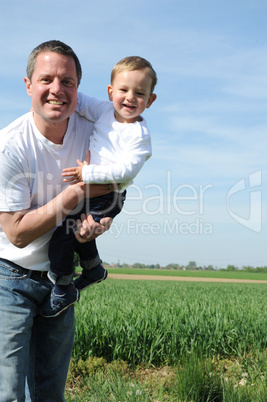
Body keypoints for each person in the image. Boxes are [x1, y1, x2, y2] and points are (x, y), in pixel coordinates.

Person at [0, 40, 113, 401]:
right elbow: (16, 234)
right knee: (10, 394)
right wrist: (74, 197)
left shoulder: (91, 126)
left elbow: (119, 176)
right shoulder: (11, 146)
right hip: (8, 279)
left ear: (79, 89)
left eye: (68, 82)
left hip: (57, 280)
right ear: (28, 85)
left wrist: (98, 219)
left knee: (50, 394)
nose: (57, 90)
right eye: (46, 79)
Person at [41, 56, 157, 318]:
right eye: (124, 90)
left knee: (65, 232)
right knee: (79, 228)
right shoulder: (105, 110)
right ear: (110, 91)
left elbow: (127, 171)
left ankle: (62, 287)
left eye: (140, 93)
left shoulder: (138, 135)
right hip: (92, 189)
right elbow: (78, 100)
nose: (130, 98)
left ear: (150, 101)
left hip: (110, 196)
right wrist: (50, 96)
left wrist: (87, 172)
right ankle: (93, 269)